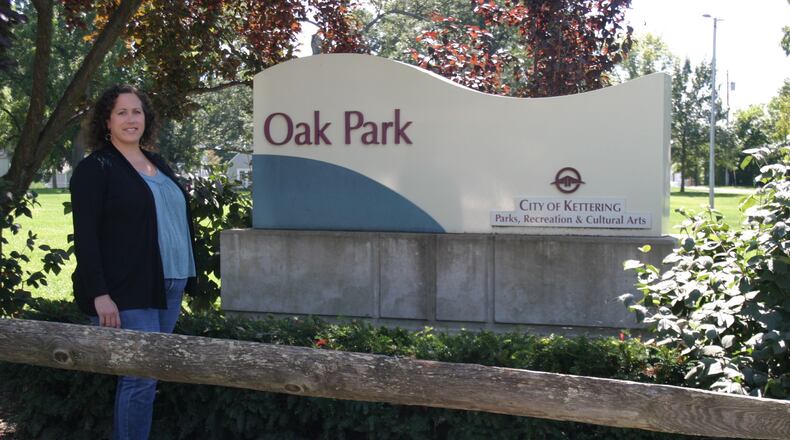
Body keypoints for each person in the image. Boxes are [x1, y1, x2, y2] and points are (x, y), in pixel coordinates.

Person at [70, 84, 197, 440]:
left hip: (170, 283)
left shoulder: (158, 163)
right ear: (106, 121)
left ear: (147, 118)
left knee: (150, 373)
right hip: (127, 288)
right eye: (121, 112)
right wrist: (99, 293)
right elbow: (86, 236)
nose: (130, 119)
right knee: (138, 376)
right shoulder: (96, 168)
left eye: (137, 111)